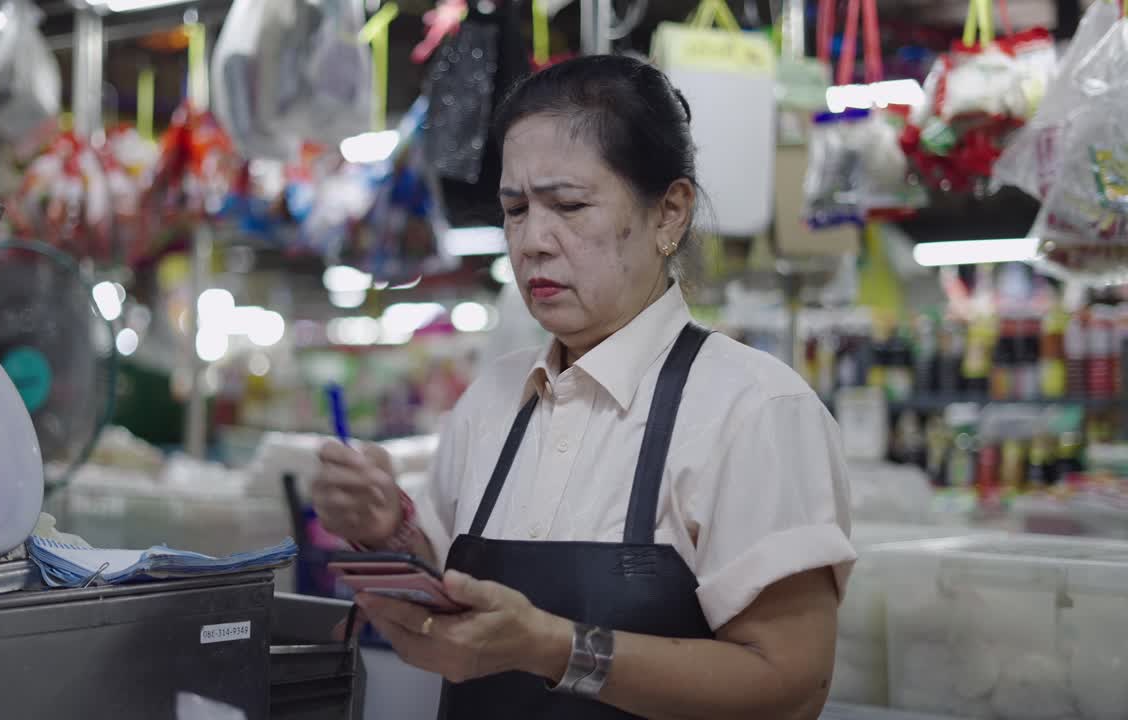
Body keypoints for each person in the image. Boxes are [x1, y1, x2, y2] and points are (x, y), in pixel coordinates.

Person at [312, 54, 855, 720]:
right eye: (515, 210)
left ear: (669, 214)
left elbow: (789, 684)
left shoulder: (754, 411)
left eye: (568, 206)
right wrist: (389, 530)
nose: (533, 241)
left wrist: (559, 649)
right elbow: (445, 594)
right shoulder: (493, 400)